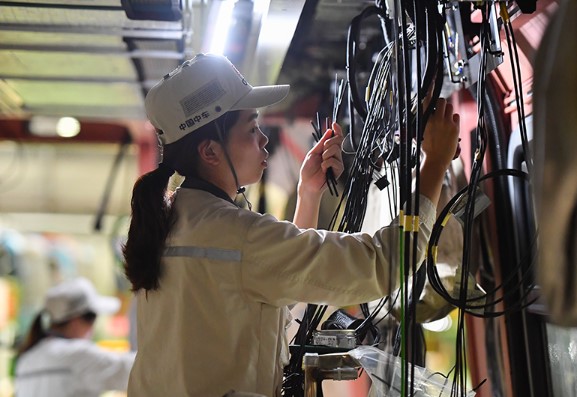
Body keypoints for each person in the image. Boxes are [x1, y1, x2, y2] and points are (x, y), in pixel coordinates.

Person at [122, 53, 460, 396]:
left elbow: (269, 307)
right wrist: (434, 164)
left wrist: (308, 196)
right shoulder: (238, 234)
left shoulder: (172, 222)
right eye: (252, 129)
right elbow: (382, 264)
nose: (264, 140)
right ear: (210, 151)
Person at [14, 277, 136, 397]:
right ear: (75, 320)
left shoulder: (26, 360)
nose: (92, 328)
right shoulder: (78, 355)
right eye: (92, 318)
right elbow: (138, 370)